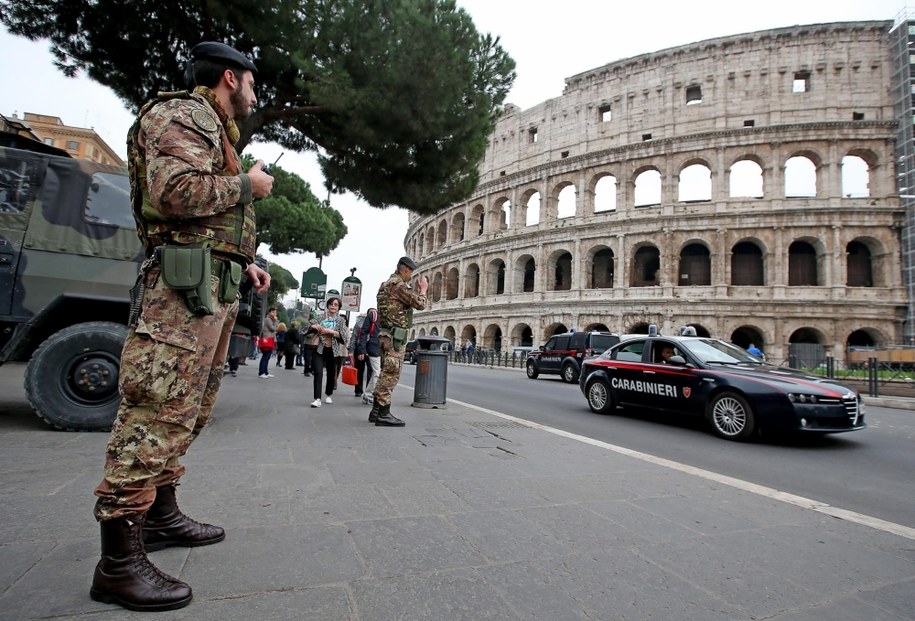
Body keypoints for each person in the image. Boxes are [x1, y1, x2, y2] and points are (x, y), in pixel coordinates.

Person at [90, 41, 273, 612]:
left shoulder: (214, 127)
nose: (254, 93)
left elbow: (203, 217)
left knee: (186, 408)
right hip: (178, 296)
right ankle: (117, 564)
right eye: (250, 82)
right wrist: (249, 185)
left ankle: (161, 515)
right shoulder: (185, 114)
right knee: (154, 409)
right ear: (229, 77)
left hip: (209, 287)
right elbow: (175, 195)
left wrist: (246, 263)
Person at [369, 257, 428, 426]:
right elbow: (420, 304)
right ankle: (383, 414)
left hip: (385, 335)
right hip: (396, 337)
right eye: (411, 273)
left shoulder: (385, 285)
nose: (411, 276)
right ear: (406, 270)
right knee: (391, 374)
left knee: (383, 374)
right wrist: (423, 290)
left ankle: (375, 411)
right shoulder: (399, 285)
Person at [309, 295, 349, 408]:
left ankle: (328, 394)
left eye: (336, 305)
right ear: (327, 306)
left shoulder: (341, 321)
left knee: (331, 374)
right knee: (318, 373)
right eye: (331, 304)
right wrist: (314, 326)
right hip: (319, 349)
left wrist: (331, 332)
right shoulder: (321, 317)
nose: (333, 306)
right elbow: (310, 325)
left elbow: (344, 337)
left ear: (339, 308)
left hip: (333, 350)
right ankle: (317, 399)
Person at [356, 307, 381, 405]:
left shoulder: (391, 317)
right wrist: (362, 350)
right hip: (373, 347)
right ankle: (370, 395)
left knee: (376, 372)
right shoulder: (373, 316)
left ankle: (367, 394)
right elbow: (363, 333)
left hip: (384, 348)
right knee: (377, 372)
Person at [348, 312, 367, 398]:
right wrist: (351, 350)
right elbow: (354, 338)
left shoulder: (375, 323)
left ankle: (362, 391)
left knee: (364, 372)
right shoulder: (359, 324)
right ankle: (360, 390)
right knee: (360, 371)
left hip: (366, 349)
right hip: (361, 349)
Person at [259, 307, 278, 378]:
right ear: (269, 312)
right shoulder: (268, 319)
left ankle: (266, 372)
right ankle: (261, 372)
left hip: (270, 339)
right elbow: (273, 328)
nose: (274, 314)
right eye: (273, 312)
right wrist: (276, 321)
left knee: (267, 357)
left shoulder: (271, 319)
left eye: (275, 312)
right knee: (265, 356)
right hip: (267, 339)